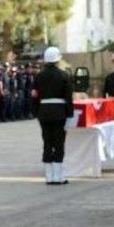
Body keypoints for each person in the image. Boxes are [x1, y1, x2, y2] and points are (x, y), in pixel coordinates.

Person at [31, 46, 73, 185]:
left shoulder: (39, 76)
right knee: (59, 144)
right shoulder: (64, 75)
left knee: (47, 143)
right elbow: (68, 98)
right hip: (60, 112)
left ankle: (49, 177)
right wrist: (70, 115)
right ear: (57, 60)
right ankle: (58, 176)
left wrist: (36, 112)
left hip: (43, 112)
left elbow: (34, 96)